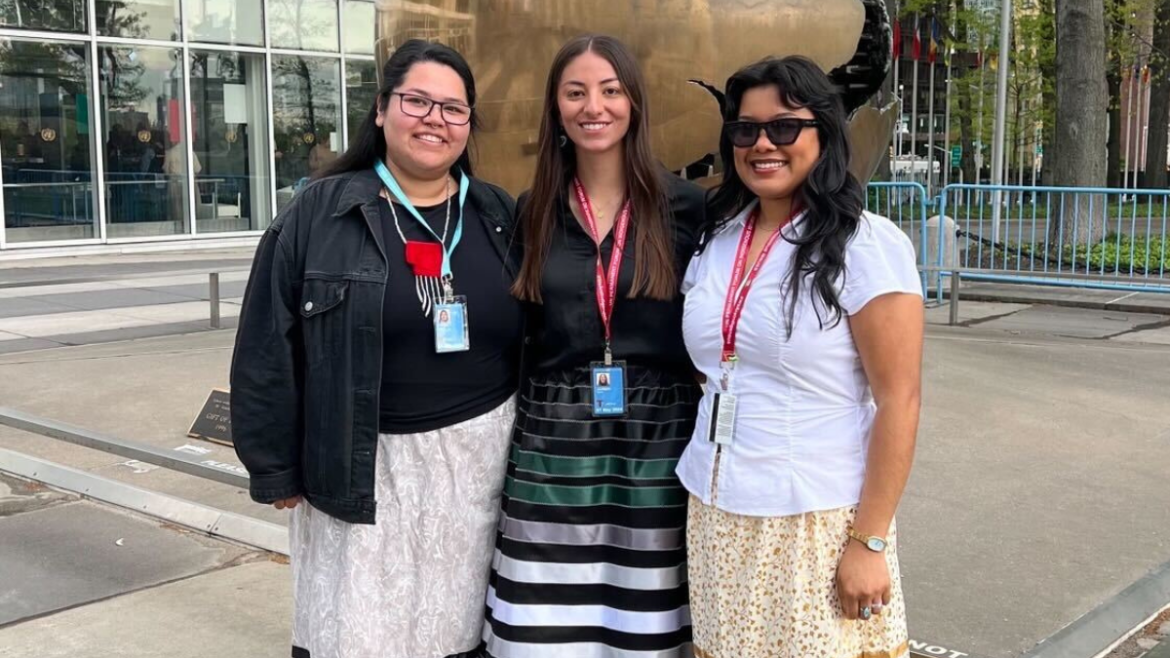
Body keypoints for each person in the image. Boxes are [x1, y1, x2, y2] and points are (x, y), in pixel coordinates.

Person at [230, 39, 523, 658]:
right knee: (361, 632)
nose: (434, 119)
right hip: (363, 462)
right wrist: (274, 466)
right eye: (417, 101)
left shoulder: (497, 213)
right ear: (382, 110)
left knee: (458, 630)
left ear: (469, 125)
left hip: (479, 468)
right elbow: (265, 345)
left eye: (453, 108)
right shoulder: (319, 213)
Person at [677, 56, 923, 658]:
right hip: (717, 508)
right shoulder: (718, 239)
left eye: (784, 127)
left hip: (816, 518)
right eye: (745, 130)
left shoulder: (867, 246)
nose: (763, 143)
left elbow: (900, 400)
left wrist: (867, 542)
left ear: (824, 133)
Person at [482, 34, 705, 658]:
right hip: (553, 445)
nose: (593, 106)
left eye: (610, 91)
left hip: (658, 446)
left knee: (647, 629)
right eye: (575, 92)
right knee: (543, 633)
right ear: (555, 107)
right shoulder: (532, 210)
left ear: (633, 102)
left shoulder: (687, 208)